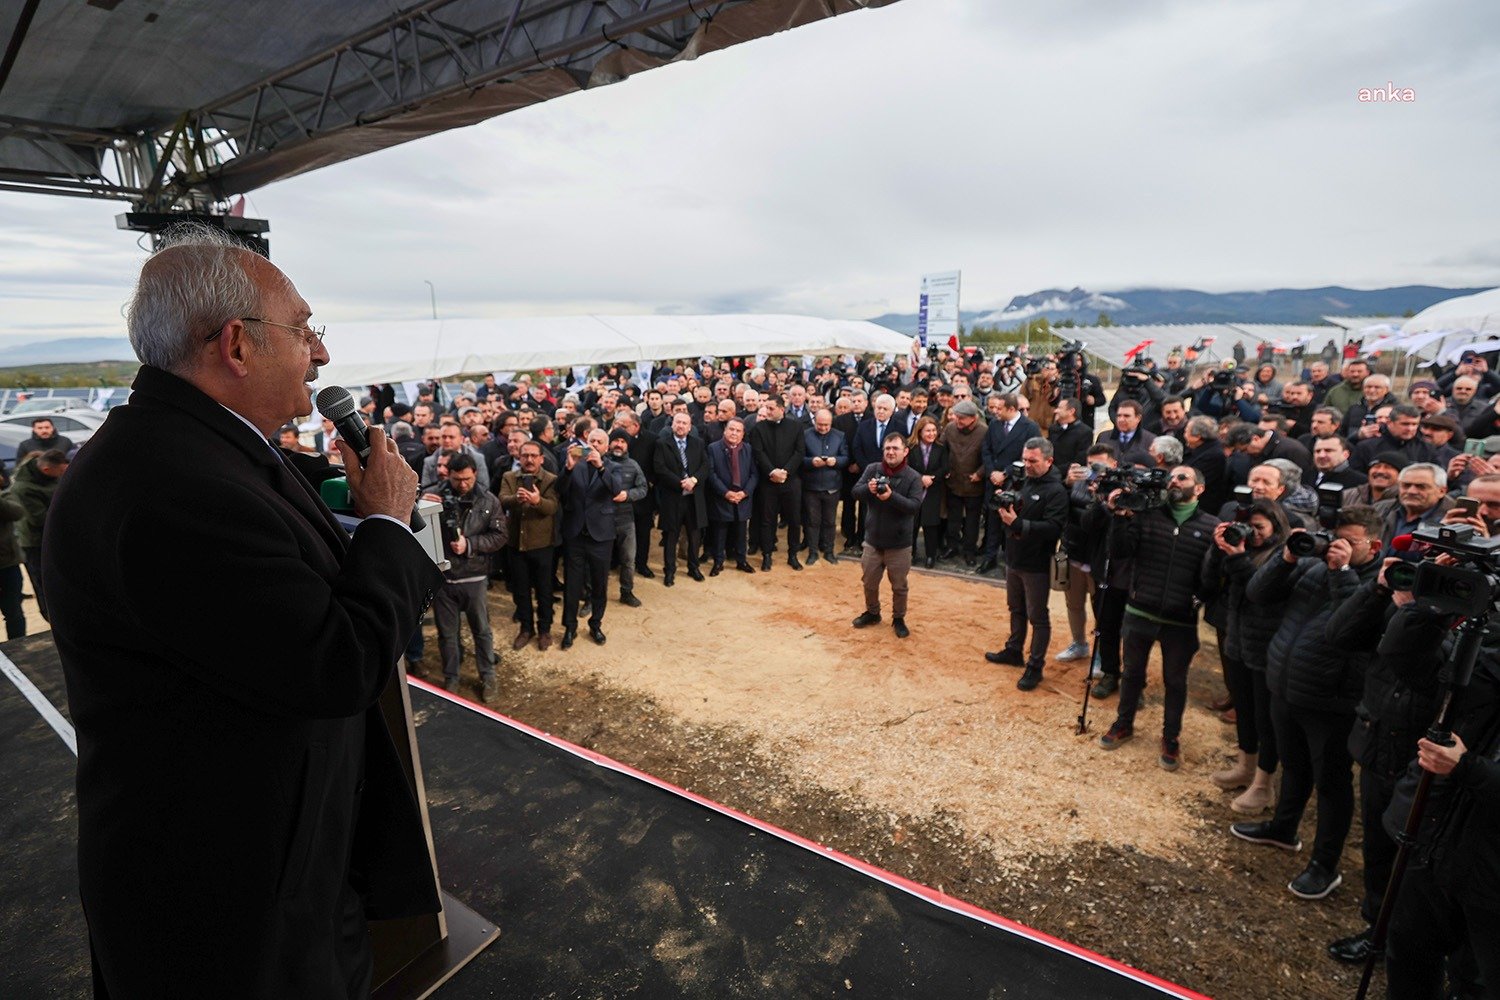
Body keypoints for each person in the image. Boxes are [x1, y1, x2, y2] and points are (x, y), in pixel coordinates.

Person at [43, 228, 442, 996]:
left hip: (265, 866)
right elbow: (336, 665)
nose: (320, 354)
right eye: (303, 329)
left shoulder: (196, 450)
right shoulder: (176, 488)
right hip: (231, 904)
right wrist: (391, 526)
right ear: (237, 345)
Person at [1232, 505, 1385, 901]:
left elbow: (1351, 629)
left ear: (1375, 544)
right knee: (1293, 764)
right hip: (1286, 685)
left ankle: (1325, 865)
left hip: (1332, 700)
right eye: (1336, 539)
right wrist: (1287, 557)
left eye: (1350, 543)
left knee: (1332, 785)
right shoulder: (1313, 565)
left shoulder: (1381, 586)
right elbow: (1258, 594)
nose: (1338, 548)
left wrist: (1343, 572)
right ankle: (1284, 829)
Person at [1098, 466, 1220, 771]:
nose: (1174, 482)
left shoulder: (1211, 527)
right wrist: (1119, 517)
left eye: (1183, 478)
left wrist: (1198, 599)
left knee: (1175, 681)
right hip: (1140, 609)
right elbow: (1120, 551)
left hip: (1181, 620)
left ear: (1199, 489)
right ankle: (1123, 723)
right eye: (1173, 477)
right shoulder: (1147, 515)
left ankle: (1171, 738)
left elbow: (1213, 575)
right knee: (1132, 674)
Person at [1203, 499, 1291, 813]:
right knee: (1245, 708)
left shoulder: (1284, 556)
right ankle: (1245, 766)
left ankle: (1263, 785)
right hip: (1238, 641)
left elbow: (1258, 591)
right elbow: (1210, 582)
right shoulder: (1240, 548)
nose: (1251, 533)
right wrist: (1217, 549)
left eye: (1259, 528)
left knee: (1265, 719)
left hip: (1266, 649)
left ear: (1276, 528)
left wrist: (1237, 556)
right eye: (1248, 526)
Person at [983, 438, 1068, 690]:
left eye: (1033, 461)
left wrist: (1017, 523)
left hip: (1037, 564)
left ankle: (1035, 666)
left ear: (1049, 461)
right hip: (1014, 556)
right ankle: (1014, 650)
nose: (1027, 465)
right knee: (1015, 608)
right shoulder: (1022, 479)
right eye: (1025, 459)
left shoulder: (1057, 491)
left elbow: (1054, 529)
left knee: (1037, 616)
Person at [423, 453, 507, 700]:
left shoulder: (488, 500)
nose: (462, 484)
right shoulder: (432, 496)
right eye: (457, 479)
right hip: (444, 578)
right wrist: (420, 506)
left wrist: (470, 544)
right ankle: (451, 678)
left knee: (481, 630)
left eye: (467, 479)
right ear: (448, 475)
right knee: (447, 634)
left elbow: (501, 536)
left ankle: (488, 675)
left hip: (474, 577)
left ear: (475, 474)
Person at [851, 431, 925, 639]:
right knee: (869, 582)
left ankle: (898, 618)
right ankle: (873, 613)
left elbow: (914, 506)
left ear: (905, 451)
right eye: (887, 449)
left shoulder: (913, 477)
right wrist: (869, 489)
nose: (891, 452)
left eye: (895, 448)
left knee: (899, 586)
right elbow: (855, 492)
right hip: (873, 540)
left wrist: (891, 497)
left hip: (900, 544)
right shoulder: (872, 469)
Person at [559, 428, 618, 649]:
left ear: (606, 447)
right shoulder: (575, 465)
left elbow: (616, 489)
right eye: (591, 440)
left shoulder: (613, 467)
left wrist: (600, 467)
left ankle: (596, 624)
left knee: (600, 584)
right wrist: (567, 469)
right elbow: (560, 492)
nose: (594, 444)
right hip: (575, 534)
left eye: (599, 442)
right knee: (572, 585)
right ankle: (570, 627)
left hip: (601, 536)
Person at [500, 440, 561, 650]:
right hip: (516, 545)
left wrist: (537, 501)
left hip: (542, 545)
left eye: (534, 455)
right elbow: (502, 500)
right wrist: (517, 499)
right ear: (519, 457)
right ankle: (526, 629)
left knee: (544, 591)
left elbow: (552, 507)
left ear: (541, 459)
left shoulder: (551, 480)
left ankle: (545, 629)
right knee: (521, 591)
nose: (529, 459)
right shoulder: (509, 477)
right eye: (525, 455)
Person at [978, 393, 1041, 574]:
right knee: (992, 521)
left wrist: (1005, 473)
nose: (995, 412)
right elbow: (986, 449)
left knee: (1012, 522)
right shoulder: (994, 424)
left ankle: (1010, 560)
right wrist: (991, 472)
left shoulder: (1030, 427)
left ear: (1011, 409)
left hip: (1015, 482)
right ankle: (989, 557)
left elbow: (1027, 456)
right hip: (993, 481)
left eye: (999, 409)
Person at [749, 395, 806, 571]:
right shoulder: (759, 428)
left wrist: (785, 472)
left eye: (771, 408)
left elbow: (799, 451)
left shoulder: (796, 426)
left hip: (791, 481)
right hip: (768, 481)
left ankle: (793, 555)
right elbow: (758, 453)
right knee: (767, 520)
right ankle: (767, 555)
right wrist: (772, 471)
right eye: (766, 408)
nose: (767, 411)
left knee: (795, 520)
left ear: (782, 409)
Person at [654, 411, 709, 586]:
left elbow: (705, 465)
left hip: (694, 498)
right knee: (671, 536)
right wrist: (680, 483)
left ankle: (694, 567)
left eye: (684, 423)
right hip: (673, 497)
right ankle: (669, 571)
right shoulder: (663, 444)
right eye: (678, 422)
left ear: (690, 427)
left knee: (694, 535)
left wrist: (694, 480)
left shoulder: (698, 443)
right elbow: (660, 468)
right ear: (672, 425)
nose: (681, 426)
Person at [12, 448, 67, 621]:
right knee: (45, 583)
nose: (62, 475)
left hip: (57, 537)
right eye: (60, 472)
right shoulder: (23, 487)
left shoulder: (49, 476)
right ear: (46, 470)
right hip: (35, 543)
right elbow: (39, 519)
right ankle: (52, 620)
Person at [603, 427, 648, 607]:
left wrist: (628, 495)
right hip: (602, 519)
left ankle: (626, 592)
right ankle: (593, 595)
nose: (619, 444)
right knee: (600, 561)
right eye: (616, 440)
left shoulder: (634, 465)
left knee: (628, 559)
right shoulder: (600, 463)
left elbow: (643, 488)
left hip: (625, 519)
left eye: (623, 441)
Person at [706, 417, 758, 574]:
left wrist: (745, 492)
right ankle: (718, 562)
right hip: (722, 498)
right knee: (720, 532)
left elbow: (754, 474)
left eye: (738, 430)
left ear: (743, 434)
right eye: (731, 429)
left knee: (741, 532)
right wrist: (726, 493)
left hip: (742, 498)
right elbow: (711, 474)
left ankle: (741, 561)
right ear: (725, 430)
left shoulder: (748, 449)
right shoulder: (713, 448)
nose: (734, 433)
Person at [940, 399, 987, 565]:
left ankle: (969, 551)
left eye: (961, 418)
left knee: (972, 522)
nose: (957, 420)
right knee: (953, 520)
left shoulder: (984, 431)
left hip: (974, 484)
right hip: (954, 481)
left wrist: (980, 473)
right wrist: (944, 469)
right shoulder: (950, 428)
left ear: (973, 418)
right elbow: (942, 449)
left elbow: (989, 456)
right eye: (956, 417)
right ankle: (952, 546)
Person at [801, 409, 846, 565]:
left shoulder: (839, 436)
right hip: (811, 486)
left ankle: (829, 551)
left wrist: (837, 461)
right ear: (815, 422)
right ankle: (813, 552)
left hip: (832, 486)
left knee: (829, 522)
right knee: (812, 521)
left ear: (831, 423)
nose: (823, 428)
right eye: (820, 424)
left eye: (826, 425)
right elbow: (799, 457)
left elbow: (845, 457)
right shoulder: (806, 435)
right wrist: (810, 462)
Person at [907, 416, 948, 568]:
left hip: (933, 490)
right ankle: (910, 553)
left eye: (933, 430)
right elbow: (907, 467)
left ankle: (931, 555)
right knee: (912, 524)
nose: (931, 434)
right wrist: (920, 478)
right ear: (919, 432)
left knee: (931, 525)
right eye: (928, 431)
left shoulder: (941, 448)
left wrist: (932, 478)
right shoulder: (911, 448)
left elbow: (945, 468)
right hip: (914, 491)